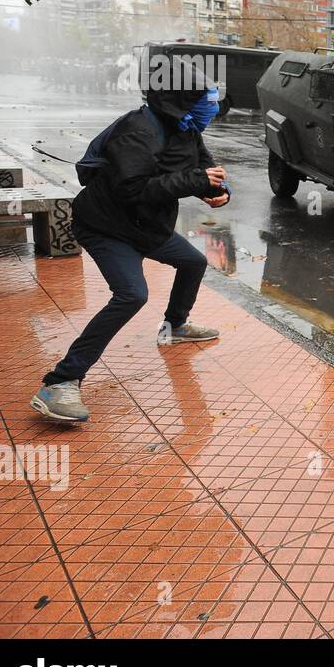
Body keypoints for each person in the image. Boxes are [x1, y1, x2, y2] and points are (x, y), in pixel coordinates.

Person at [30, 81, 230, 424]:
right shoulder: (137, 131)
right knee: (131, 294)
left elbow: (204, 171)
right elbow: (132, 189)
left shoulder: (187, 127)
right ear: (180, 100)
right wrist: (197, 182)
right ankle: (60, 381)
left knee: (194, 261)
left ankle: (175, 326)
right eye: (206, 101)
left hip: (146, 226)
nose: (211, 108)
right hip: (106, 226)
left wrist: (217, 192)